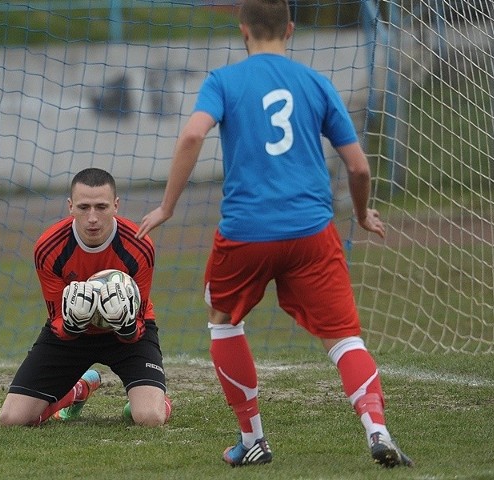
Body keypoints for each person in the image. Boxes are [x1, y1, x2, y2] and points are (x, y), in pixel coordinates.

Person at [135, 0, 413, 468]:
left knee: (224, 320)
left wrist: (167, 207)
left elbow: (190, 137)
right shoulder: (316, 83)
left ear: (243, 30)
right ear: (289, 29)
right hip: (311, 231)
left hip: (246, 232)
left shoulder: (223, 81)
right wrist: (362, 214)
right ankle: (377, 430)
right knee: (344, 337)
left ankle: (253, 439)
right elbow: (359, 166)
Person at [0, 167, 171, 427]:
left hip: (126, 336)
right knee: (12, 420)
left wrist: (124, 325)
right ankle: (78, 389)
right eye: (84, 207)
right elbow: (56, 318)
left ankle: (152, 401)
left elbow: (139, 322)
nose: (92, 217)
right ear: (70, 207)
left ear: (116, 206)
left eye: (101, 207)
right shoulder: (49, 247)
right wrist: (71, 324)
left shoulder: (139, 245)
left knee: (149, 417)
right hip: (71, 337)